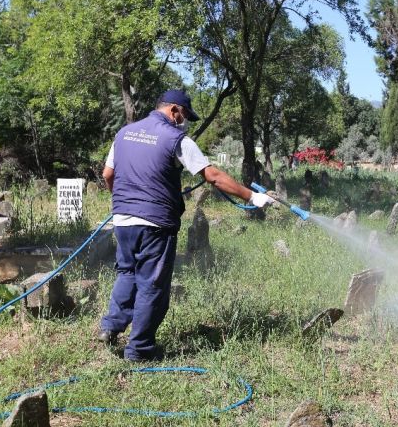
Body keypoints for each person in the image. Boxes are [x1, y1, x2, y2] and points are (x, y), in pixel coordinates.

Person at [98, 89, 275, 361]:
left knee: (127, 273)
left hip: (123, 219)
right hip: (154, 222)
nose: (185, 121)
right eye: (185, 115)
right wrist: (252, 196)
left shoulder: (124, 133)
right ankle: (140, 350)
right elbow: (212, 175)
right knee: (152, 285)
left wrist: (125, 202)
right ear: (173, 111)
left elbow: (108, 174)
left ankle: (110, 327)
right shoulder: (175, 138)